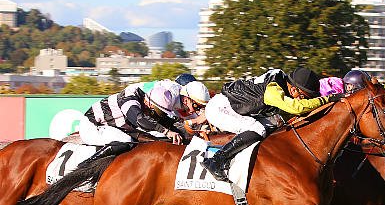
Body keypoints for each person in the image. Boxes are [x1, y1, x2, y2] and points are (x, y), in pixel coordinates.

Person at [190, 67, 344, 181]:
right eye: (304, 97)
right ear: (294, 90)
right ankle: (216, 161)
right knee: (257, 129)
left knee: (277, 123)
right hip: (220, 108)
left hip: (234, 107)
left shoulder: (281, 82)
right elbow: (296, 107)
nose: (304, 101)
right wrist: (328, 99)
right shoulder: (273, 89)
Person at [78, 80, 208, 161]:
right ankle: (87, 165)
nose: (159, 115)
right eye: (159, 112)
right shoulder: (130, 98)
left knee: (154, 141)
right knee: (126, 141)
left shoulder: (154, 101)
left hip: (113, 127)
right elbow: (139, 120)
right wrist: (167, 131)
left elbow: (167, 123)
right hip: (93, 125)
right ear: (149, 104)